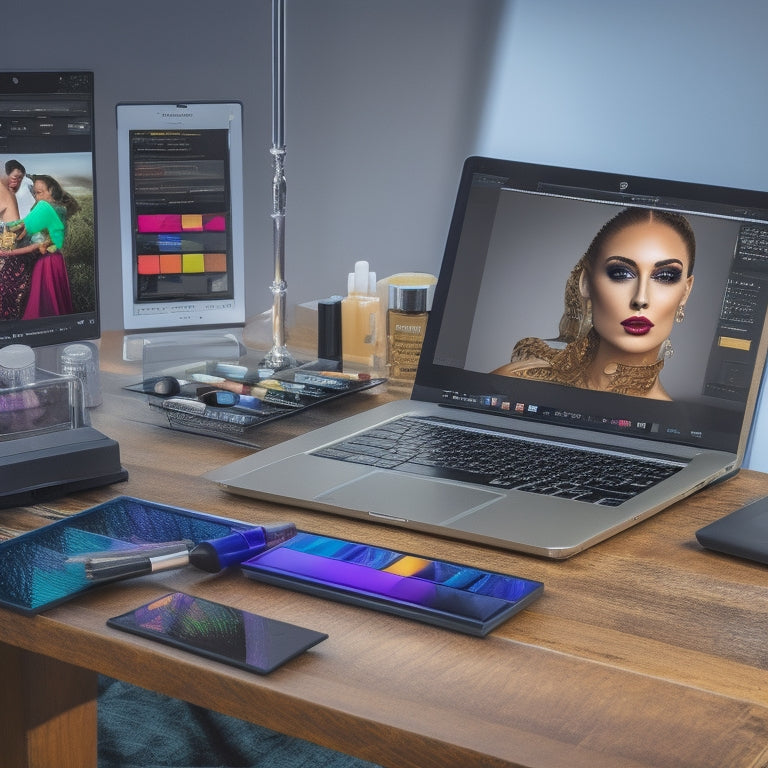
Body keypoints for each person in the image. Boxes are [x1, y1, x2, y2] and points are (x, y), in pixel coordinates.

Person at [493, 207, 695, 400]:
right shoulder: (513, 384)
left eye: (665, 276)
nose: (640, 299)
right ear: (586, 283)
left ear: (685, 291)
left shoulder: (672, 427)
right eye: (621, 274)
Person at [6, 174, 77, 318]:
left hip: (46, 261)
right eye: (35, 193)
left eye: (39, 193)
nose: (37, 198)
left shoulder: (45, 207)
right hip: (56, 259)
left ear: (52, 191)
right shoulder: (60, 208)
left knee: (42, 305)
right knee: (56, 304)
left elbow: (21, 225)